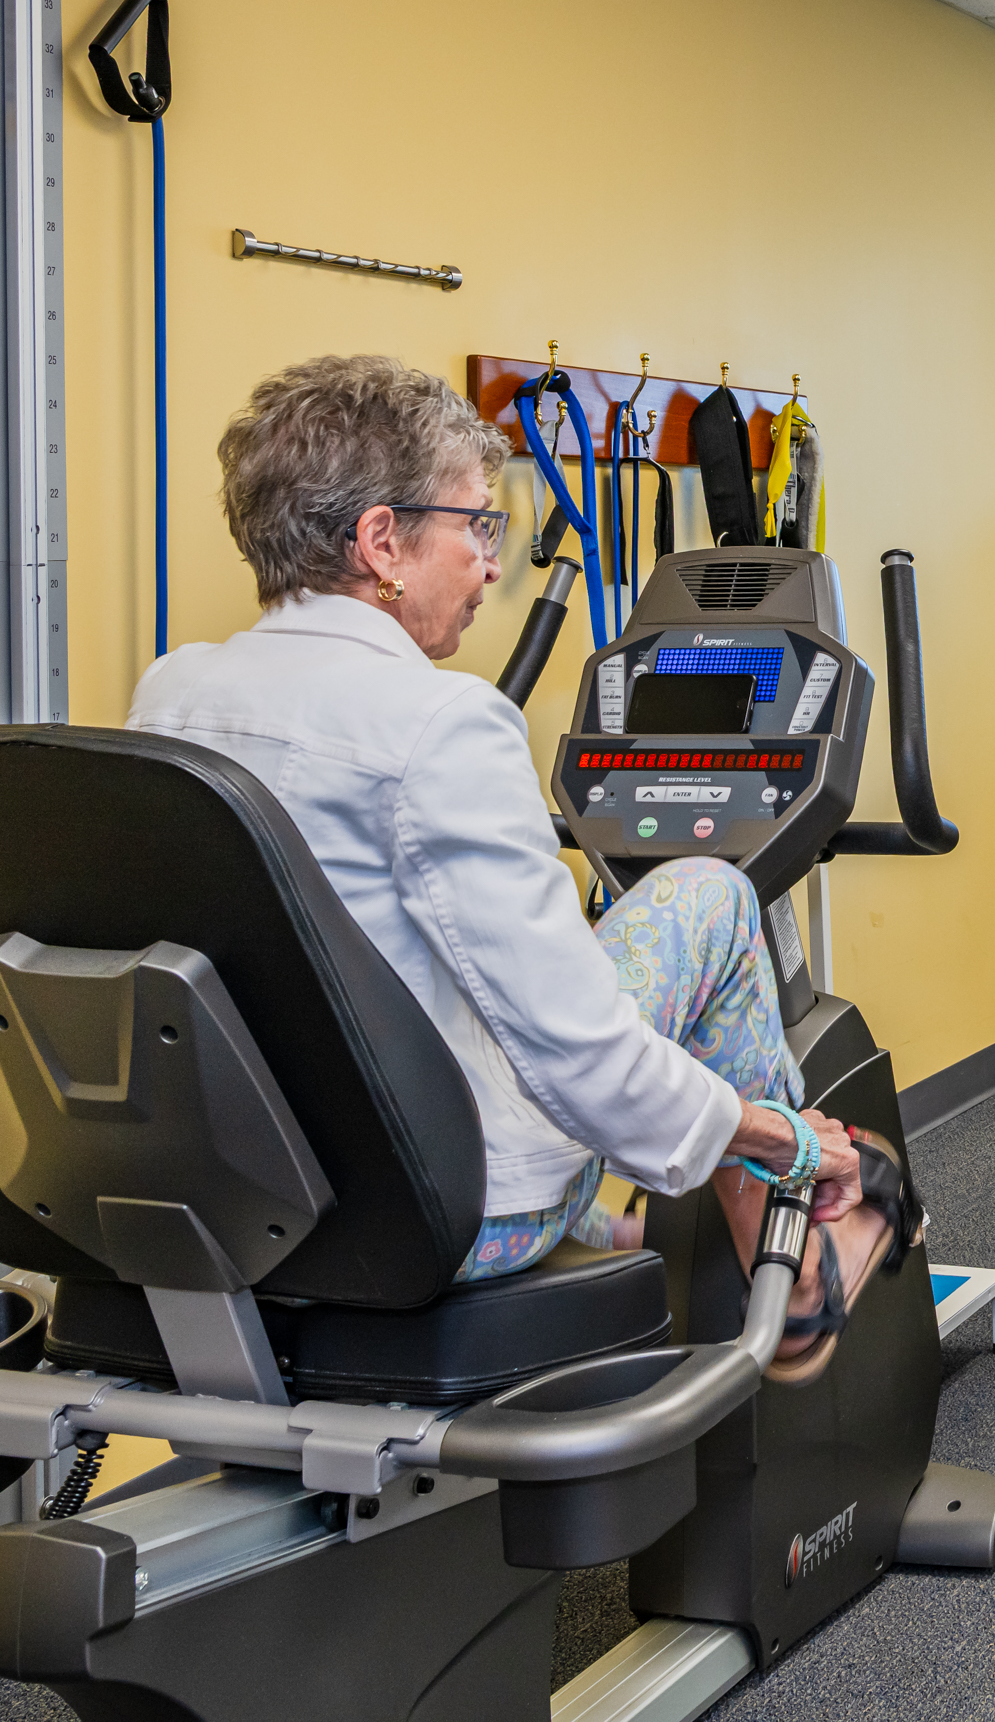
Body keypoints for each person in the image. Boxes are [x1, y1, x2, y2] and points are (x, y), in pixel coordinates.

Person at [128, 355, 905, 1380]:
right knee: (711, 896)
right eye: (474, 527)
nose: (491, 565)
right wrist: (787, 1137)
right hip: (445, 1214)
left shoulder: (173, 696)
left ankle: (622, 1230)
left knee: (528, 970)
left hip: (243, 1195)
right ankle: (795, 1263)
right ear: (380, 544)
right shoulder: (444, 724)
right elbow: (580, 1055)